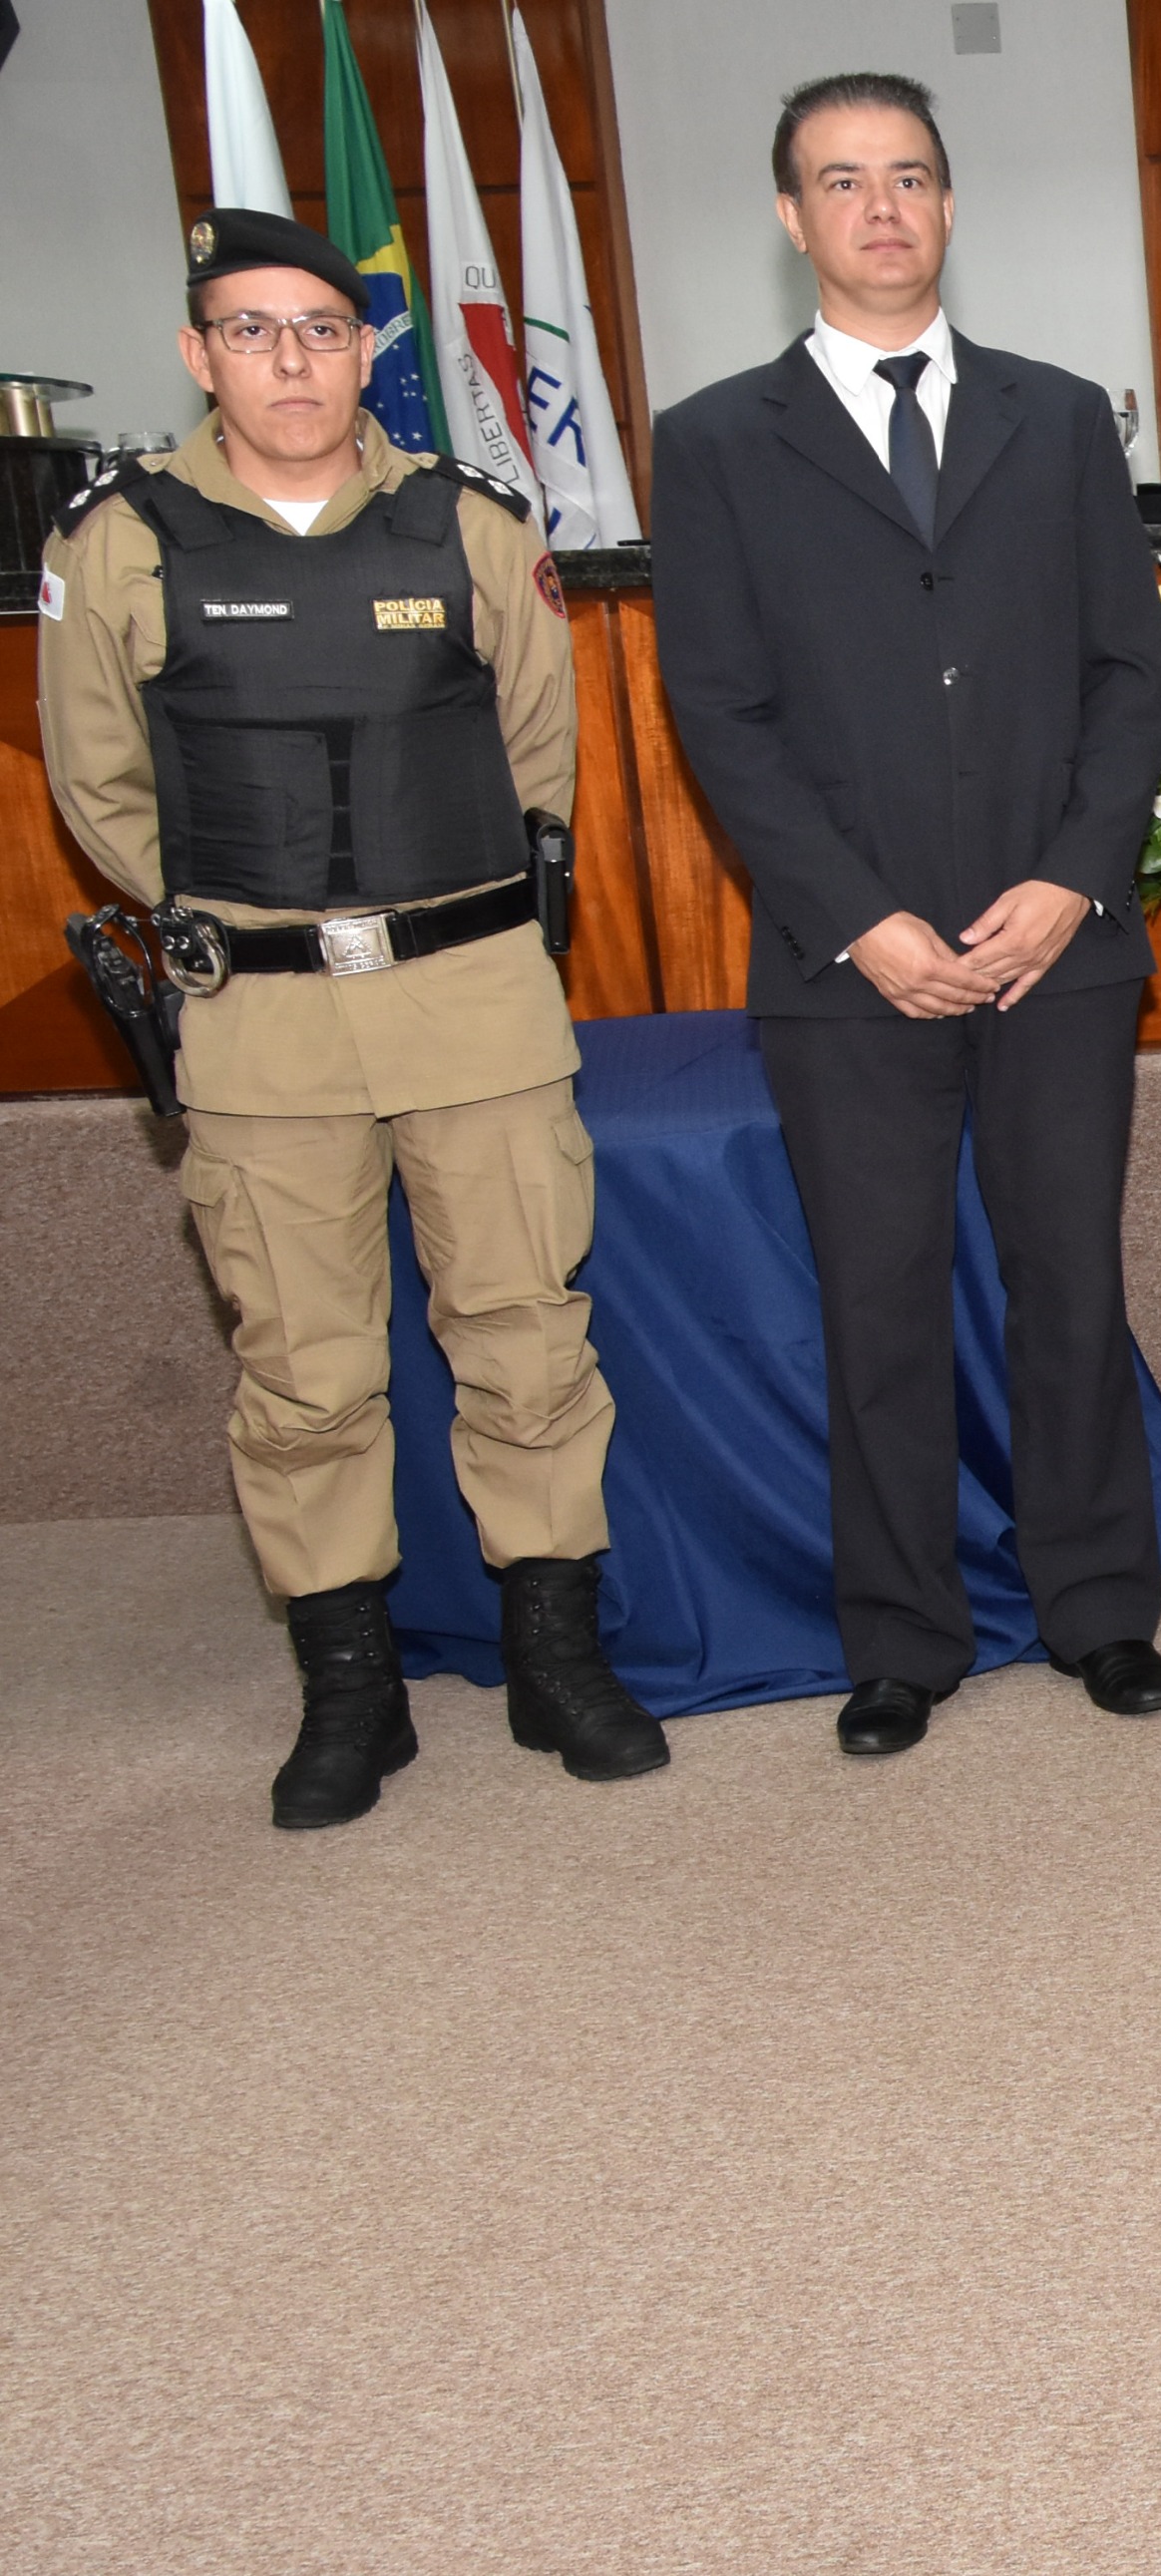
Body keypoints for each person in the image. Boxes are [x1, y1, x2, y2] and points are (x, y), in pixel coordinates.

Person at [34, 209, 660, 1828]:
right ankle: (348, 1690)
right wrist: (250, 908)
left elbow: (537, 751)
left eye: (320, 327)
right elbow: (101, 782)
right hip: (260, 1018)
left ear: (367, 346)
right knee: (303, 1371)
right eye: (251, 330)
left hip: (471, 997)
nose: (291, 360)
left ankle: (555, 1657)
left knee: (526, 1335)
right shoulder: (123, 537)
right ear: (199, 353)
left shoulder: (468, 520)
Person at [653, 72, 1161, 1755]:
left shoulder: (1060, 417)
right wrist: (860, 918)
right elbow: (719, 711)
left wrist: (1070, 876)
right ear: (791, 216)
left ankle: (1097, 1602)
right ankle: (899, 1636)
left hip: (1057, 947)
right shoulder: (715, 441)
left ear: (948, 205)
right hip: (846, 965)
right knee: (877, 1304)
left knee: (1067, 1283)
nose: (880, 207)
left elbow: (1128, 672)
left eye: (909, 177)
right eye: (842, 180)